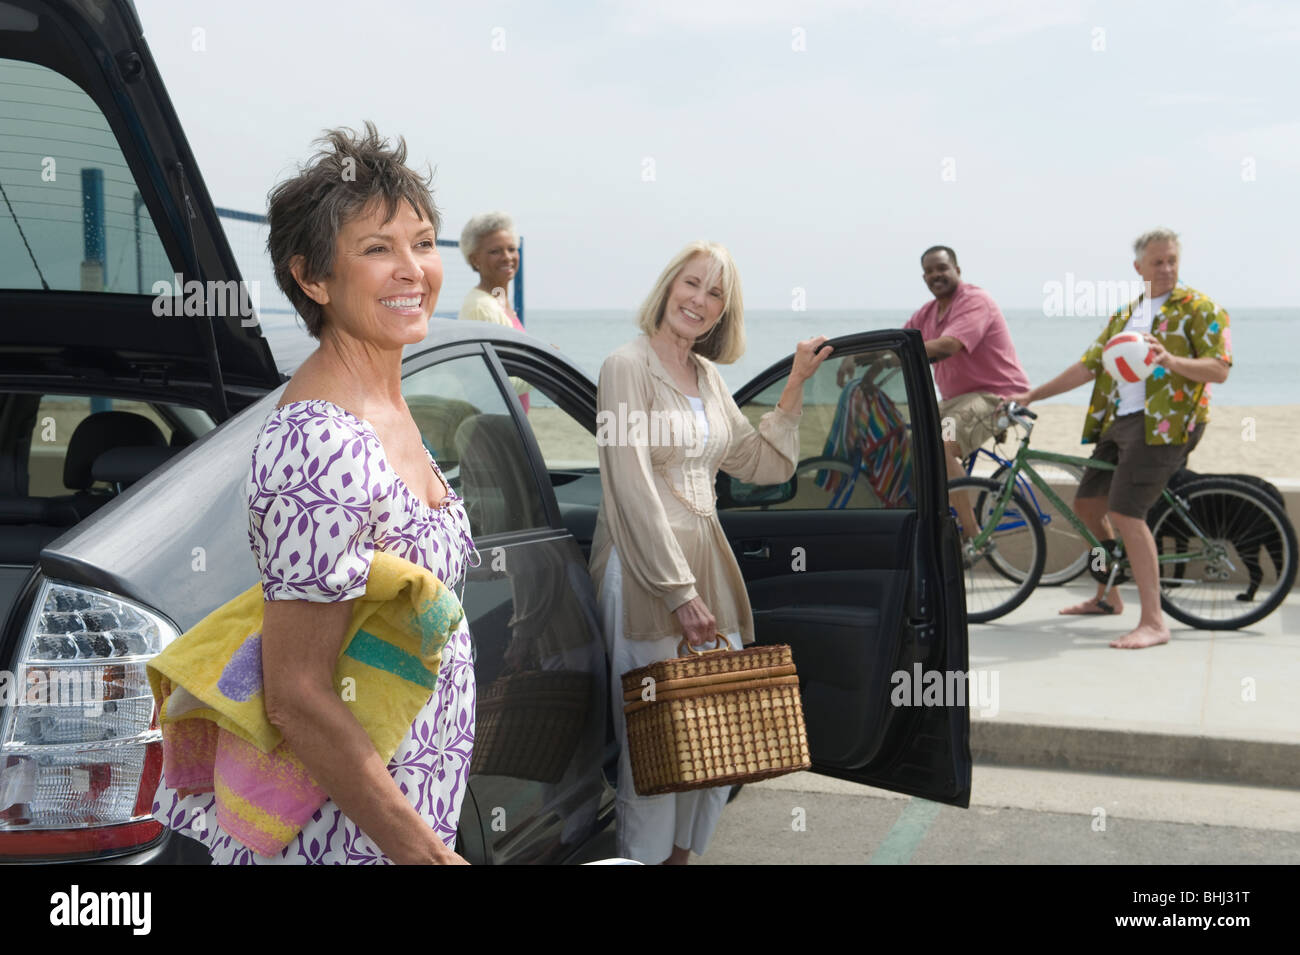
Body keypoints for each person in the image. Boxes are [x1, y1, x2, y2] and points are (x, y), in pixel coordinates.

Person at [152, 123, 477, 863]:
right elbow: (295, 692)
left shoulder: (387, 404)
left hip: (403, 808)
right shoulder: (318, 441)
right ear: (313, 278)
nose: (413, 270)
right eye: (376, 248)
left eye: (422, 242)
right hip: (342, 839)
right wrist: (423, 854)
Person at [590, 239, 831, 864]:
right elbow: (630, 483)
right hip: (649, 572)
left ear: (725, 312)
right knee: (656, 748)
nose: (699, 300)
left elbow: (761, 463)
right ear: (669, 287)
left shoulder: (708, 375)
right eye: (692, 284)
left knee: (713, 743)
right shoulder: (625, 365)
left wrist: (796, 385)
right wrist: (678, 591)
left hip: (709, 570)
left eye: (715, 293)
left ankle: (679, 860)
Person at [1008, 228, 1232, 649]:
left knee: (1128, 513)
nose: (1166, 269)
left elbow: (1219, 369)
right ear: (1138, 268)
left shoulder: (1202, 308)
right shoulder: (1127, 315)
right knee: (1088, 505)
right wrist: (1033, 394)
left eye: (1172, 261)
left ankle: (1154, 622)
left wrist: (1171, 360)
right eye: (1157, 262)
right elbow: (1089, 366)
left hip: (1166, 424)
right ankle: (1108, 595)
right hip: (1121, 421)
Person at [842, 246, 1030, 548]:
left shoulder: (975, 301)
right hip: (956, 400)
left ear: (957, 269)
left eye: (941, 268)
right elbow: (897, 345)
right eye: (928, 271)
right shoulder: (926, 314)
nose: (935, 276)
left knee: (943, 444)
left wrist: (887, 358)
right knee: (910, 444)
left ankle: (974, 538)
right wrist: (862, 365)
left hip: (997, 396)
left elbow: (947, 347)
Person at [458, 211, 529, 411]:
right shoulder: (482, 307)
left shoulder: (499, 303)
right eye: (495, 251)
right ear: (475, 259)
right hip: (494, 422)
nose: (507, 257)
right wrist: (547, 369)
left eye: (512, 249)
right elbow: (492, 382)